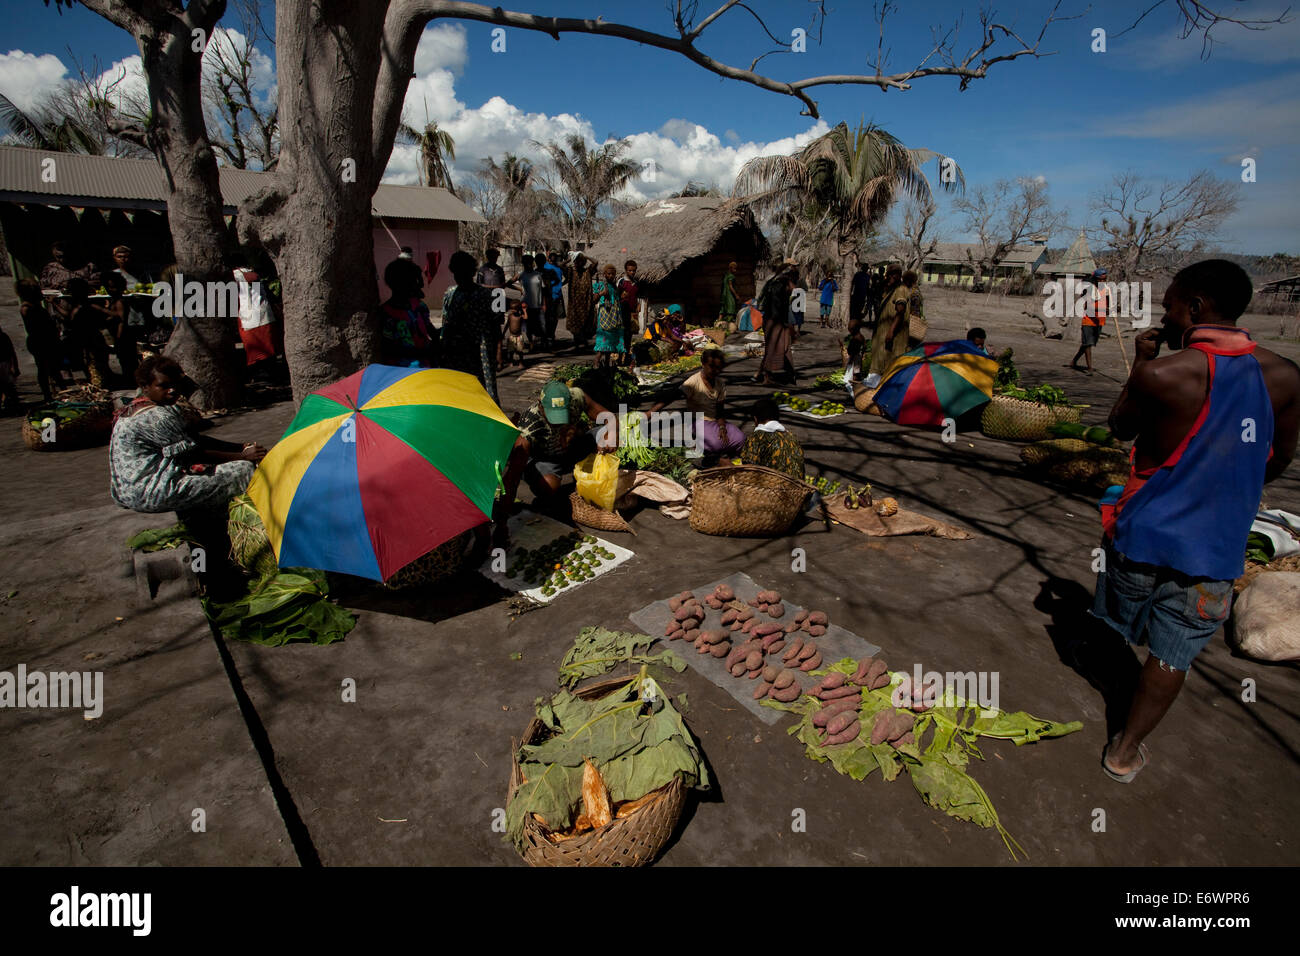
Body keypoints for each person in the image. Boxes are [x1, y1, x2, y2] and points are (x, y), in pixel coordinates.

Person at [1091, 260, 1299, 783]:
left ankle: (1110, 661)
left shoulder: (1164, 373)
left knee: (1122, 613)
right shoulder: (1285, 377)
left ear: (1197, 308)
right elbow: (1276, 461)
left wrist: (1142, 362)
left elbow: (1120, 428)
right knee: (1174, 651)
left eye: (1171, 307)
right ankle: (1124, 750)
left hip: (1146, 532)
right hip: (1216, 546)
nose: (1167, 316)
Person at [109, 355, 267, 597]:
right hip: (152, 490)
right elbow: (193, 453)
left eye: (175, 384)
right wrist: (242, 457)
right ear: (147, 387)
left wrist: (239, 447)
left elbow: (193, 441)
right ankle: (246, 540)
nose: (172, 390)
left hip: (131, 488)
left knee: (229, 468)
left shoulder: (134, 405)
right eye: (163, 386)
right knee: (243, 471)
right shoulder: (158, 416)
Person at [496, 380, 615, 543]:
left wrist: (610, 437)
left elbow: (610, 418)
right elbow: (512, 478)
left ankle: (585, 479)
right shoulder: (529, 427)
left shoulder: (577, 397)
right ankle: (556, 486)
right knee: (549, 486)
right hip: (546, 459)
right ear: (541, 405)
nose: (557, 422)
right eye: (552, 415)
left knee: (611, 435)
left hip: (572, 448)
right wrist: (502, 523)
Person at [649, 345, 742, 458]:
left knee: (740, 438)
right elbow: (672, 396)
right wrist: (649, 413)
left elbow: (720, 410)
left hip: (715, 423)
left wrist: (722, 427)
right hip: (697, 421)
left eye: (719, 368)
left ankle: (713, 448)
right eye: (712, 367)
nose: (715, 371)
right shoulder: (693, 382)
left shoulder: (720, 384)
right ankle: (698, 443)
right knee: (715, 444)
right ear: (703, 364)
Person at [440, 250, 502, 403]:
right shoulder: (450, 294)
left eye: (464, 272)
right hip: (455, 353)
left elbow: (495, 325)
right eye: (456, 273)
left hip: (481, 352)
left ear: (472, 272)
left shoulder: (486, 295)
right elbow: (445, 322)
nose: (459, 277)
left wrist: (499, 351)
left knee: (484, 391)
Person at [379, 258, 438, 368]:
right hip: (403, 373)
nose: (420, 285)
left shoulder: (419, 307)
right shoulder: (386, 314)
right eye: (415, 281)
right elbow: (389, 349)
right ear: (403, 284)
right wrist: (423, 352)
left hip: (426, 368)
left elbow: (431, 331)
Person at [16, 278, 68, 401]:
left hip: (46, 340)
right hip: (40, 341)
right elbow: (37, 326)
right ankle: (48, 394)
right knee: (44, 368)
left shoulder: (35, 306)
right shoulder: (27, 308)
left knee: (54, 368)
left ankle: (62, 390)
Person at [232, 263, 282, 375]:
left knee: (262, 351)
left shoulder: (239, 275)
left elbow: (252, 278)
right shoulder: (242, 274)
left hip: (253, 317)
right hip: (258, 316)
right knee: (263, 351)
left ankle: (267, 373)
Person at [738, 398, 804, 479]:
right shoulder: (791, 436)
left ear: (755, 419)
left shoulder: (756, 438)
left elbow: (748, 468)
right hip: (799, 487)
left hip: (773, 487)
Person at [63, 278, 112, 387]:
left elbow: (110, 315)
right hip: (85, 342)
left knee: (96, 368)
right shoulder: (80, 307)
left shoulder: (87, 307)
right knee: (93, 367)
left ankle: (101, 387)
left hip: (91, 342)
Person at [867, 264, 909, 382]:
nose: (886, 278)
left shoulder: (901, 289)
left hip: (892, 337)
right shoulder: (891, 290)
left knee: (888, 368)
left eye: (889, 276)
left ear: (896, 276)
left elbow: (900, 311)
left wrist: (891, 331)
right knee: (880, 364)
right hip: (882, 335)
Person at [755, 260, 794, 386]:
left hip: (774, 319)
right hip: (774, 320)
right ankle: (767, 376)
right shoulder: (779, 285)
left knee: (782, 347)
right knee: (773, 348)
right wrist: (783, 322)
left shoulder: (774, 282)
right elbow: (777, 305)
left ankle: (764, 373)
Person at [1069, 268, 1109, 375]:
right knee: (1088, 344)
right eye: (1100, 280)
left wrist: (1110, 309)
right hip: (1089, 320)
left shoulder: (1105, 289)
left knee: (1087, 343)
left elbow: (1107, 304)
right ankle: (1090, 368)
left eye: (1104, 279)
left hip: (1099, 321)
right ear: (1095, 279)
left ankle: (1073, 361)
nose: (1102, 282)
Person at [102, 272, 139, 385]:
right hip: (119, 336)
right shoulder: (113, 301)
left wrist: (119, 337)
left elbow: (121, 321)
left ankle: (132, 382)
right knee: (124, 360)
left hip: (123, 336)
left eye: (113, 287)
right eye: (109, 287)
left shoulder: (120, 302)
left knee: (128, 361)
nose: (111, 289)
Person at [593, 263, 624, 367]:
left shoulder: (614, 287)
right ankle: (596, 365)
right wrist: (602, 293)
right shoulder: (600, 285)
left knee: (610, 345)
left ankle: (606, 366)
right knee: (602, 344)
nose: (611, 276)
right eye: (609, 274)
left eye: (613, 274)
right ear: (604, 274)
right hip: (604, 318)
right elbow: (593, 300)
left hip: (614, 318)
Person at [566, 253, 597, 350]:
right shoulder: (571, 272)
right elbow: (560, 265)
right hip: (574, 304)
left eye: (580, 261)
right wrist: (570, 259)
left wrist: (586, 256)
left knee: (585, 324)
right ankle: (577, 344)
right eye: (576, 261)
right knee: (575, 324)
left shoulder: (587, 272)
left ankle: (583, 342)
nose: (578, 263)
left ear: (583, 262)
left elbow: (595, 262)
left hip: (586, 303)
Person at [516, 255, 548, 343]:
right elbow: (508, 283)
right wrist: (520, 289)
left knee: (542, 325)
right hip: (525, 305)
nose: (528, 265)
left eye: (530, 263)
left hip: (538, 305)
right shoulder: (521, 275)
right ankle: (531, 344)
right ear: (523, 264)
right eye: (526, 263)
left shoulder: (538, 275)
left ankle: (545, 344)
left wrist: (544, 304)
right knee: (528, 326)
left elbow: (543, 290)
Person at [616, 260, 640, 367]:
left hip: (632, 313)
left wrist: (638, 304)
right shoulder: (621, 282)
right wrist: (620, 298)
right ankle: (619, 358)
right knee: (622, 335)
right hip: (622, 312)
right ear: (626, 270)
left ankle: (626, 357)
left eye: (634, 271)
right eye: (630, 270)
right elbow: (616, 296)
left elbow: (637, 296)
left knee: (629, 336)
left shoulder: (635, 283)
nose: (632, 272)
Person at [542, 251, 566, 349]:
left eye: (555, 256)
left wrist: (560, 285)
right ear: (548, 256)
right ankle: (546, 337)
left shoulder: (560, 267)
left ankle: (551, 335)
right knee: (546, 317)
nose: (553, 257)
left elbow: (567, 277)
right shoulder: (545, 266)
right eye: (551, 256)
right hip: (547, 296)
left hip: (558, 295)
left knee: (555, 317)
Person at [502, 301, 529, 368]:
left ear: (518, 309)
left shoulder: (520, 316)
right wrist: (504, 333)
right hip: (511, 336)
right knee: (511, 351)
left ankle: (521, 362)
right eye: (512, 309)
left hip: (519, 336)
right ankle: (511, 361)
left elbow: (526, 318)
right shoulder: (510, 316)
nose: (513, 310)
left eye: (514, 309)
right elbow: (507, 325)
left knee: (520, 351)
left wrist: (524, 310)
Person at [903, 270, 926, 347]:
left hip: (912, 324)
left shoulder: (914, 293)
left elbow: (914, 311)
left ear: (909, 281)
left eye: (904, 280)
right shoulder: (915, 290)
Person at [0, 327, 19, 414]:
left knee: (8, 387)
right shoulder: (4, 337)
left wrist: (15, 366)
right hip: (5, 365)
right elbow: (12, 353)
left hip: (5, 365)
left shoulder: (3, 337)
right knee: (8, 387)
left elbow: (12, 352)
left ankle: (12, 405)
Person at [849, 259, 872, 327]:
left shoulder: (867, 276)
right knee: (855, 309)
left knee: (859, 309)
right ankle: (854, 321)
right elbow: (852, 284)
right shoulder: (858, 275)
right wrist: (850, 292)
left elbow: (867, 286)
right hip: (857, 294)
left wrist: (868, 295)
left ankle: (856, 321)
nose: (866, 269)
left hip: (862, 295)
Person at [720, 260, 739, 330]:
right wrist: (736, 295)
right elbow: (731, 286)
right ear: (731, 268)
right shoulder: (731, 276)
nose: (736, 270)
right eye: (734, 268)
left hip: (724, 295)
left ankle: (718, 325)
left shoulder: (726, 275)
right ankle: (728, 327)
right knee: (730, 310)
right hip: (729, 296)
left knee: (722, 310)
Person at [789, 272, 806, 338]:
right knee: (798, 318)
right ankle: (797, 331)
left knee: (794, 317)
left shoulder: (794, 284)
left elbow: (792, 296)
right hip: (800, 302)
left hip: (796, 302)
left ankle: (795, 331)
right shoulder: (801, 282)